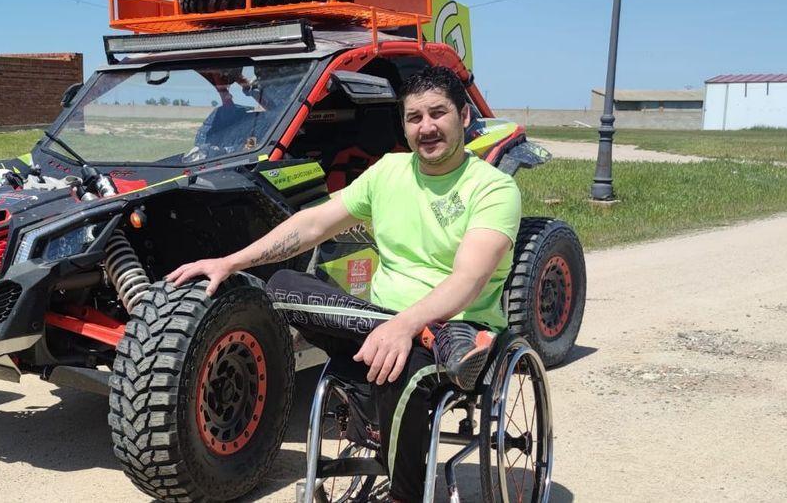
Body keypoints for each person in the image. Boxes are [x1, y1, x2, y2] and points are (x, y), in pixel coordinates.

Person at [167, 66, 521, 502]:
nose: (426, 127)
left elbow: (468, 279)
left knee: (400, 367)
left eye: (437, 114)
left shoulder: (493, 189)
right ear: (404, 125)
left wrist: (405, 326)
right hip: (383, 324)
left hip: (456, 318)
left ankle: (404, 494)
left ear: (464, 118)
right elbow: (314, 222)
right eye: (414, 118)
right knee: (281, 285)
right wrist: (231, 261)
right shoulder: (388, 172)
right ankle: (415, 340)